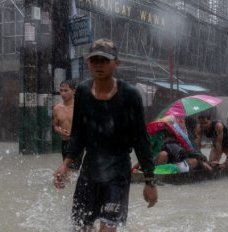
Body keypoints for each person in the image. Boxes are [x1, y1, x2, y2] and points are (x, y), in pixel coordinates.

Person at [52, 38, 158, 232]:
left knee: (108, 229)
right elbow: (78, 134)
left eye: (104, 60)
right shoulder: (83, 92)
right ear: (88, 63)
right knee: (79, 228)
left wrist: (149, 181)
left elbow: (141, 140)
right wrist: (66, 164)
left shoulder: (130, 95)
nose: (99, 64)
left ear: (116, 63)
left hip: (117, 174)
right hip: (89, 171)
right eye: (94, 60)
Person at [53, 80, 82, 170]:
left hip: (78, 143)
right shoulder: (57, 108)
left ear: (73, 91)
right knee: (68, 171)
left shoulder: (80, 107)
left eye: (66, 90)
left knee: (73, 170)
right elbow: (55, 126)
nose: (63, 94)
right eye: (61, 91)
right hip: (65, 143)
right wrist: (60, 131)